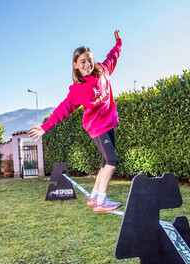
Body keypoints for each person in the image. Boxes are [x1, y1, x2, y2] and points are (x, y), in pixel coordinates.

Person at [29, 30, 122, 213]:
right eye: (83, 62)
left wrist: (118, 42)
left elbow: (114, 55)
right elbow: (63, 110)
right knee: (112, 160)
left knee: (105, 161)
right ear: (75, 65)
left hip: (109, 122)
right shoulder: (78, 90)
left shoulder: (103, 70)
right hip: (97, 127)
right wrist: (45, 127)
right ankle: (101, 201)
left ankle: (94, 195)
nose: (87, 64)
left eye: (89, 60)